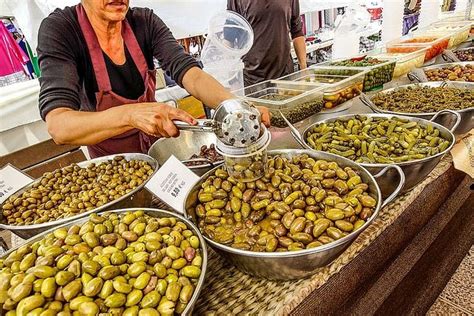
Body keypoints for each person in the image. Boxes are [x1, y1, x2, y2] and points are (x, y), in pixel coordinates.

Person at [38, 0, 270, 158]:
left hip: (156, 150)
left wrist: (236, 108)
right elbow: (59, 126)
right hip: (113, 163)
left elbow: (191, 74)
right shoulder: (61, 30)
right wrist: (131, 115)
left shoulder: (144, 21)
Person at [227, 0, 307, 86]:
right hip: (252, 78)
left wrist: (304, 70)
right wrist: (231, 79)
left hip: (284, 75)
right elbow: (229, 37)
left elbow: (297, 31)